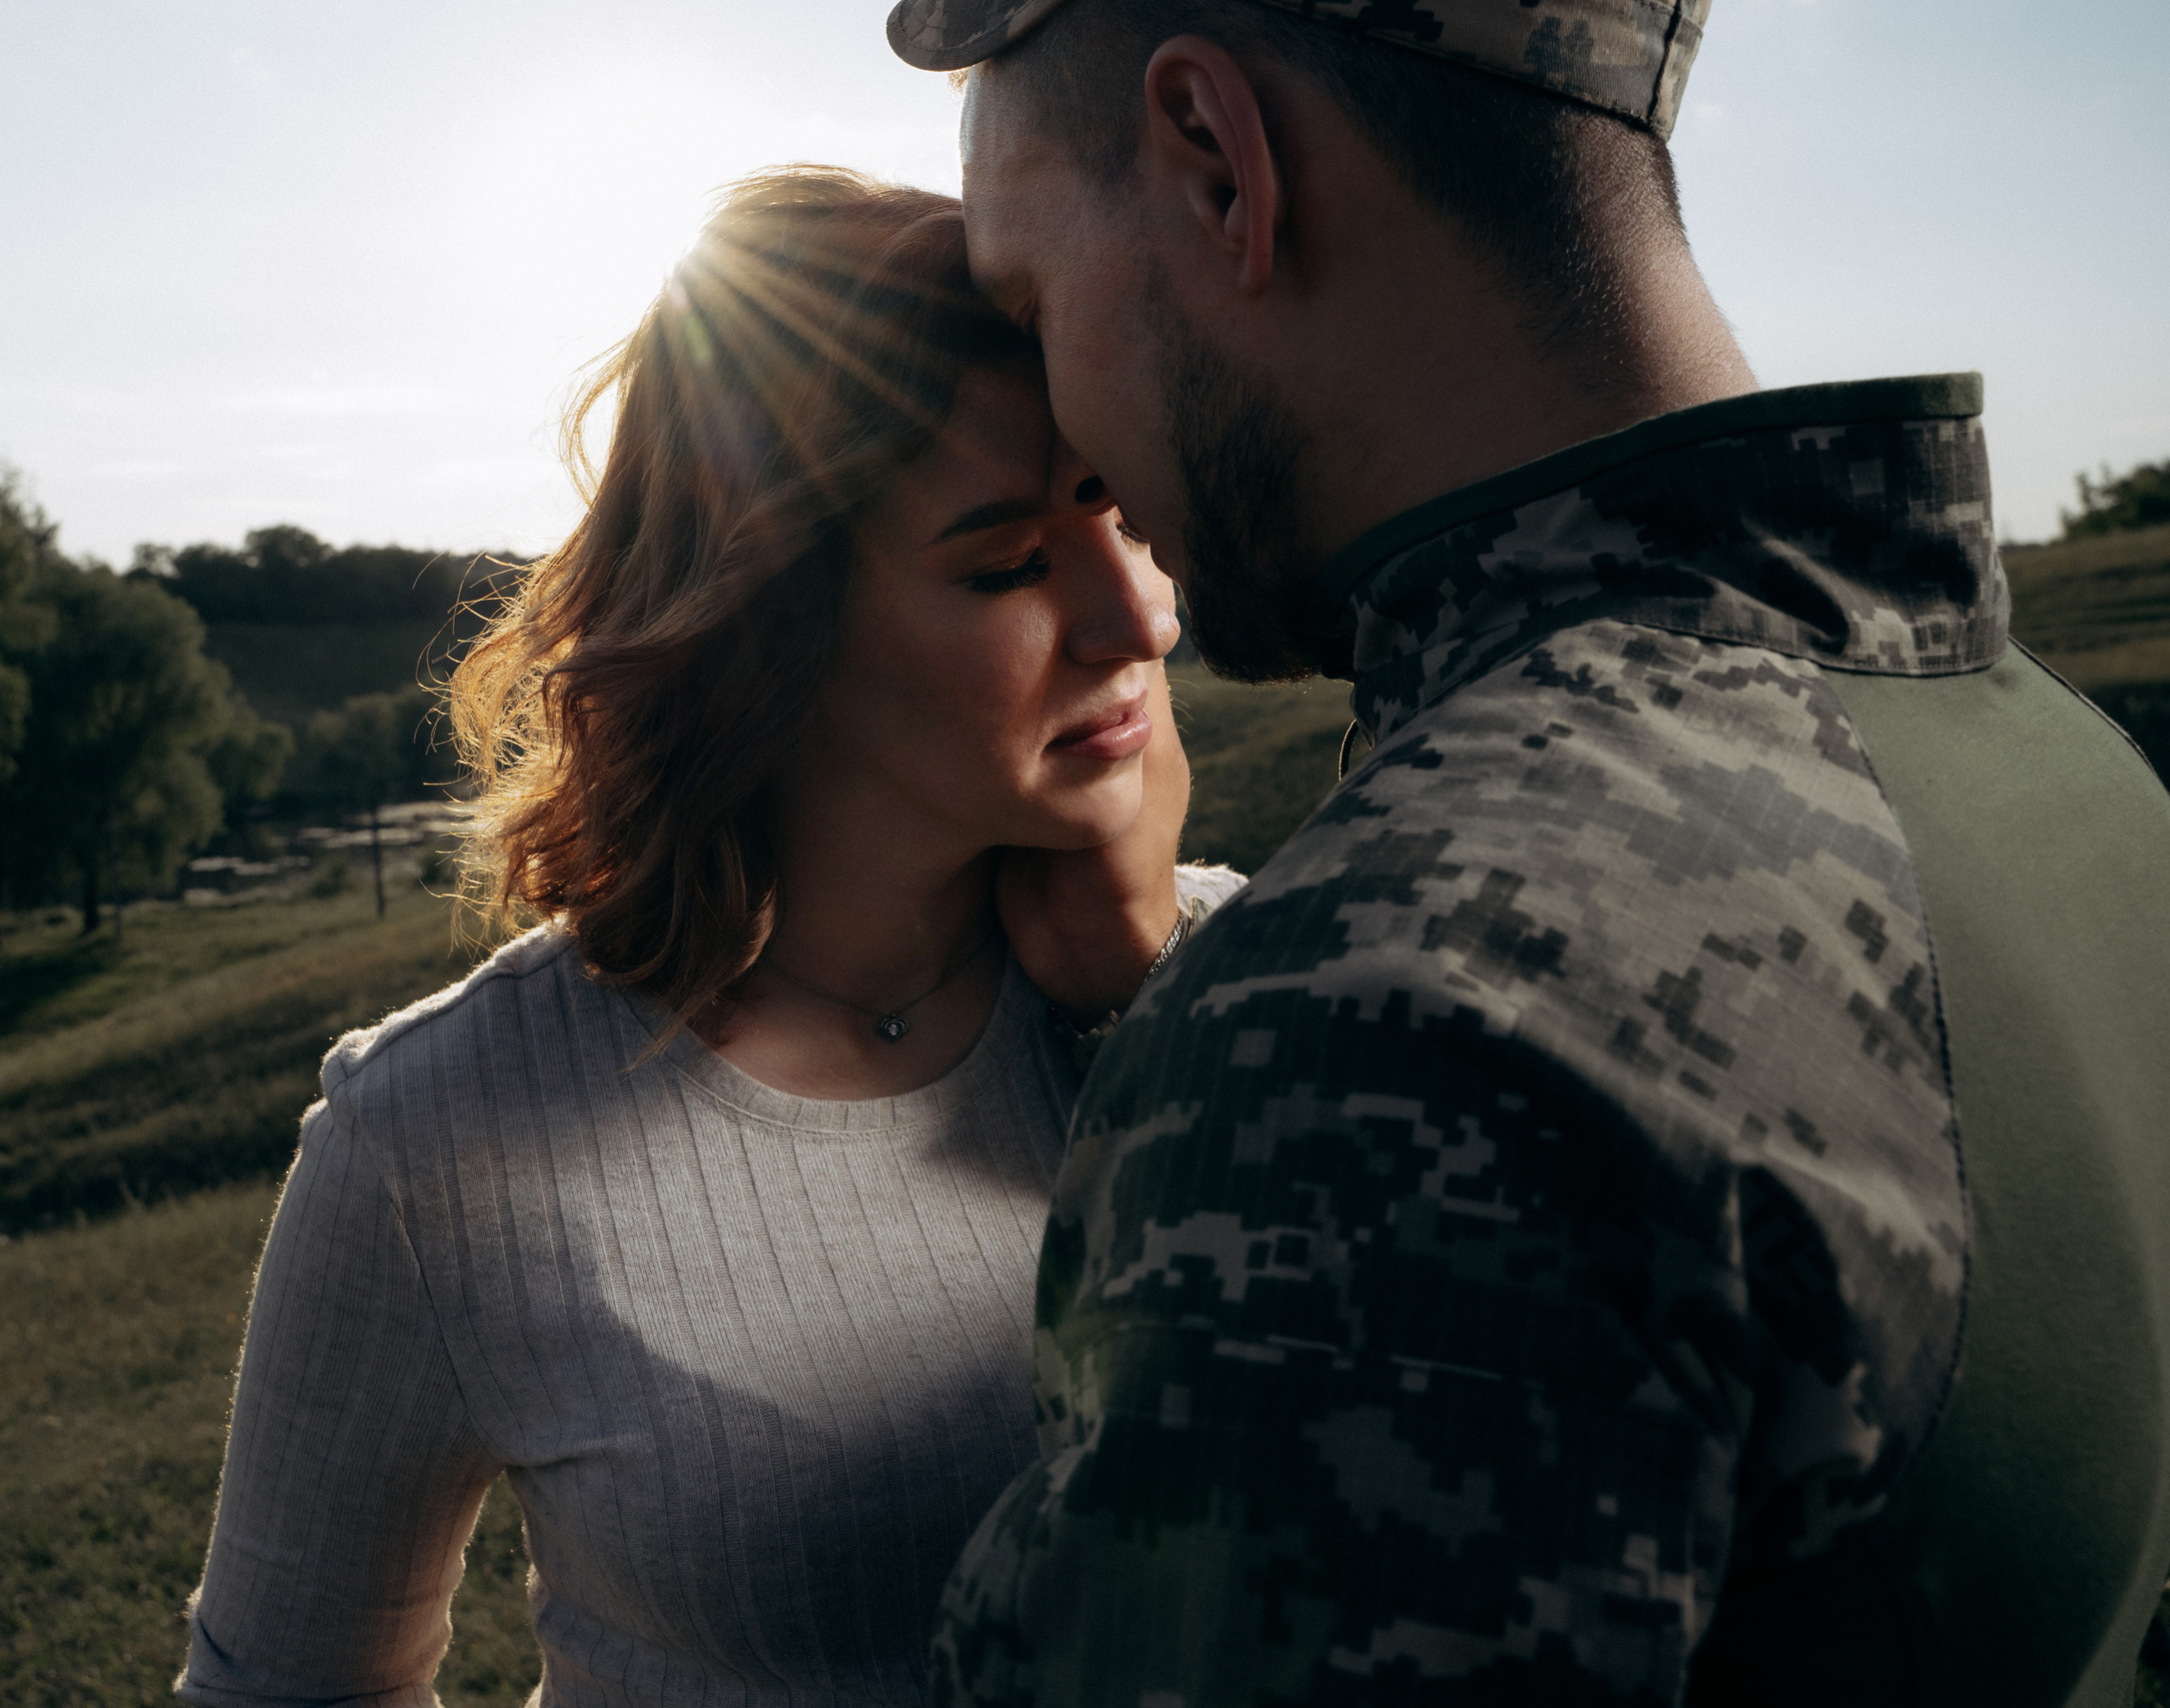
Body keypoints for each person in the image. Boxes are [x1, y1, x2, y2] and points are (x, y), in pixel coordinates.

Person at [886, 2, 2170, 1702]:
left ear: (1217, 163)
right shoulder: (2074, 776)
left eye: (1033, 298)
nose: (1069, 412)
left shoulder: (1389, 1020)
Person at [174, 167, 1241, 1708]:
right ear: (770, 618)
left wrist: (1151, 993)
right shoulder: (433, 1140)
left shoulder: (1252, 986)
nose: (1136, 618)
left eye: (1126, 512)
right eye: (1010, 561)